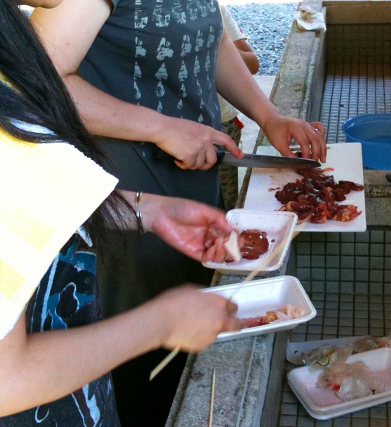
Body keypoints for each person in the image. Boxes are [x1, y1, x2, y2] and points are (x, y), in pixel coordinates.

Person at [31, 0, 327, 424]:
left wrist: (269, 115)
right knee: (140, 343)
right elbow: (38, 84)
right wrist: (161, 127)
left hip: (192, 171)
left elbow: (212, 38)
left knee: (196, 312)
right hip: (122, 191)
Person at [0, 0, 242, 425]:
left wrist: (144, 211)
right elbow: (6, 381)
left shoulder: (11, 43)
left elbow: (20, 203)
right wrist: (159, 323)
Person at [218, 3, 259, 209]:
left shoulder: (214, 9)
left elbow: (253, 63)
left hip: (223, 124)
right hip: (172, 131)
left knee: (227, 200)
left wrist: (215, 41)